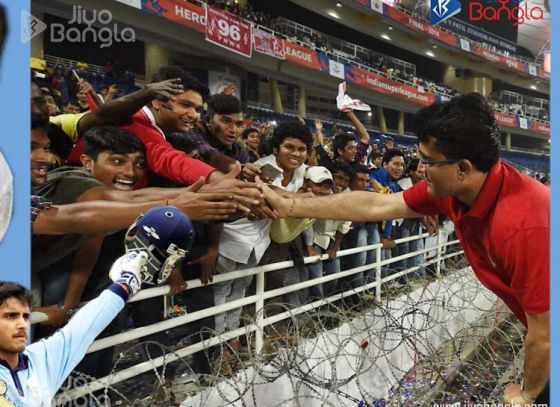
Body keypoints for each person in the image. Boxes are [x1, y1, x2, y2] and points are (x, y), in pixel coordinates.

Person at [258, 93, 549, 405]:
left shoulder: (523, 224)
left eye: (428, 161)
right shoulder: (455, 188)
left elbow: (545, 334)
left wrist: (528, 394)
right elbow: (375, 204)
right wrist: (291, 204)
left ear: (462, 167)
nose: (419, 169)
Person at [0, 251, 148, 406]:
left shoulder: (38, 359)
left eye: (24, 316)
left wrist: (126, 284)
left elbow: (83, 327)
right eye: (9, 317)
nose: (21, 325)